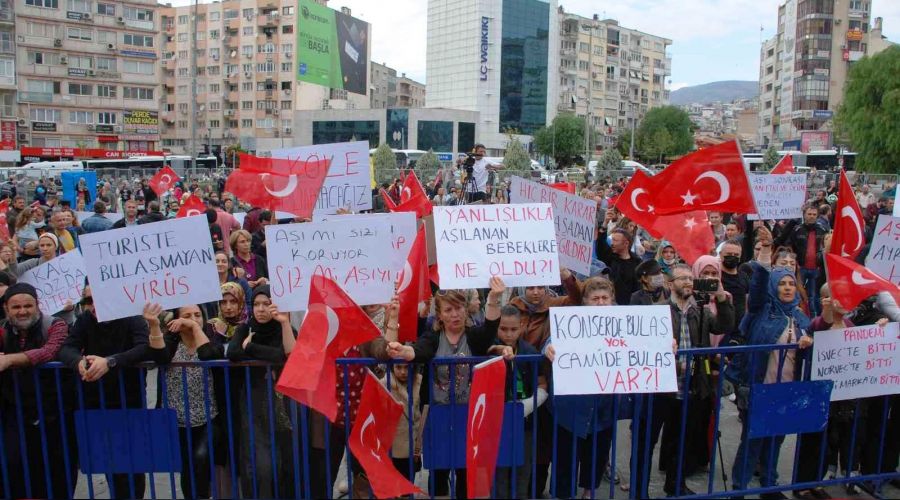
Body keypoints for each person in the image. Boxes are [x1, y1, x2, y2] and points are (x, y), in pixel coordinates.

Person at [386, 277, 505, 499]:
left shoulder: (473, 336)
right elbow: (420, 349)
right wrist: (404, 351)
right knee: (439, 470)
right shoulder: (433, 336)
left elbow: (489, 330)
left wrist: (494, 298)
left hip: (467, 414)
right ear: (440, 315)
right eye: (449, 310)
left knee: (464, 468)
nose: (455, 314)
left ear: (466, 310)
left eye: (459, 308)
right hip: (437, 413)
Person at [726, 248, 814, 498]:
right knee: (752, 441)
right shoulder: (761, 310)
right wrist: (764, 259)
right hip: (759, 388)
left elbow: (815, 341)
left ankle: (769, 486)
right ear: (774, 286)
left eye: (791, 284)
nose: (787, 288)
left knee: (776, 440)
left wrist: (809, 341)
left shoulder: (801, 317)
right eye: (782, 284)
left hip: (786, 389)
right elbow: (756, 290)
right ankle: (739, 488)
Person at [198, 285, 295, 499]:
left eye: (266, 304)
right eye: (256, 304)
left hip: (282, 401)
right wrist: (257, 351)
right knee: (260, 462)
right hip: (254, 399)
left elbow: (283, 355)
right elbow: (233, 352)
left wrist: (250, 348)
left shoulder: (284, 328)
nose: (260, 309)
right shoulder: (246, 327)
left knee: (285, 457)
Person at [57, 285, 151, 499]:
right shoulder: (85, 320)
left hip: (129, 401)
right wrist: (77, 362)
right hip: (95, 402)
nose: (92, 306)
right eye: (88, 301)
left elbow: (143, 348)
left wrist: (110, 362)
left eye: (96, 299)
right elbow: (67, 348)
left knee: (132, 465)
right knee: (109, 463)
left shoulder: (132, 317)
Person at [544, 277, 618, 499]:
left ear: (612, 300)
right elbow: (550, 341)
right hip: (571, 405)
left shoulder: (623, 324)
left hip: (604, 405)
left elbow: (645, 345)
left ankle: (589, 492)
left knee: (597, 453)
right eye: (595, 298)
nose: (601, 303)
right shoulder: (571, 322)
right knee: (565, 456)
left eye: (605, 298)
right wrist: (548, 348)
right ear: (585, 301)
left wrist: (666, 346)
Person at [0, 283, 75, 499]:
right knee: (14, 467)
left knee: (57, 469)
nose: (22, 311)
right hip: (15, 412)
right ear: (6, 308)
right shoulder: (3, 330)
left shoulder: (56, 325)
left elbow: (50, 351)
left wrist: (10, 360)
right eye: (16, 307)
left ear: (37, 305)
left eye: (27, 306)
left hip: (55, 412)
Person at [147, 302, 224, 499]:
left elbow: (207, 354)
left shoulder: (211, 339)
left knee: (201, 457)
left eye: (197, 315)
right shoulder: (171, 343)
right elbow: (159, 357)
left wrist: (195, 328)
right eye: (187, 315)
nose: (193, 319)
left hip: (208, 418)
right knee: (187, 467)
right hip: (177, 421)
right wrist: (154, 325)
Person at [489, 305, 549, 499]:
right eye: (503, 329)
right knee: (499, 471)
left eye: (513, 329)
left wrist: (527, 406)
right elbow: (490, 349)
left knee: (523, 470)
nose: (508, 334)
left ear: (522, 326)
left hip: (525, 422)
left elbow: (542, 384)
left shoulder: (530, 351)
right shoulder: (489, 349)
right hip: (496, 423)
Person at [775, 203, 826, 316]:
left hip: (816, 268)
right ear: (804, 215)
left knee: (813, 295)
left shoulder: (822, 230)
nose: (811, 216)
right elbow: (789, 245)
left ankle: (813, 317)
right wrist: (794, 262)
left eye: (814, 214)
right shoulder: (797, 230)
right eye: (809, 214)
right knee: (798, 293)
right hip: (800, 267)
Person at [381, 360, 423, 483]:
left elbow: (419, 414)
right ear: (392, 367)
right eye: (398, 367)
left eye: (407, 367)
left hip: (413, 444)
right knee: (395, 485)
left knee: (408, 483)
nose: (403, 372)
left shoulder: (418, 381)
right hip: (394, 446)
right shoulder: (385, 383)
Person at [596, 223, 641, 305]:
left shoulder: (637, 262)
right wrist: (604, 224)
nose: (612, 243)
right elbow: (601, 246)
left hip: (631, 306)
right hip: (612, 304)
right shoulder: (610, 258)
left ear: (626, 243)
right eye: (612, 240)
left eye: (615, 240)